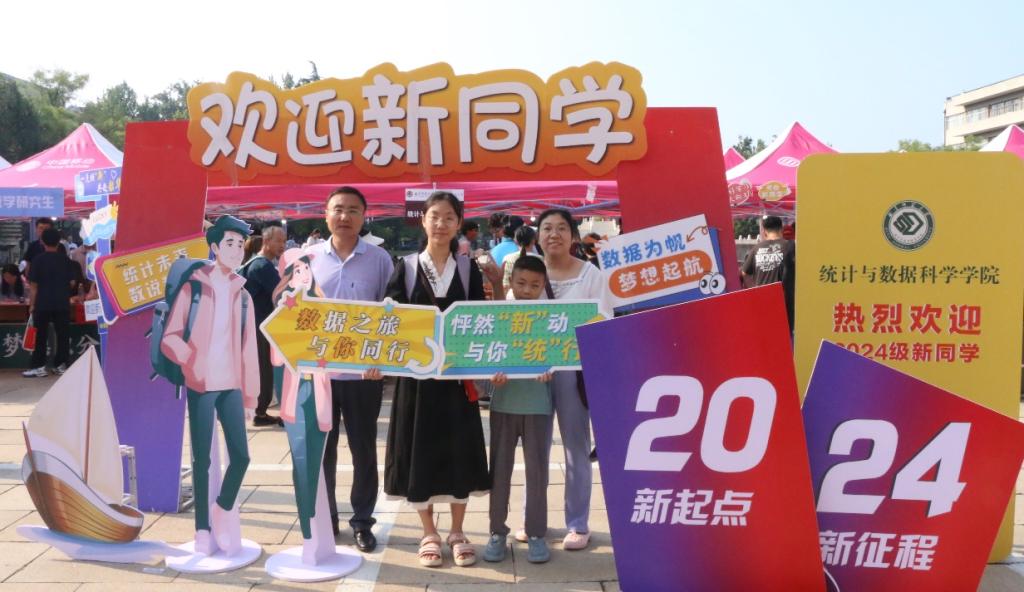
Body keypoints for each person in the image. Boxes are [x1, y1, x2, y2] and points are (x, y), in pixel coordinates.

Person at [383, 191, 501, 569]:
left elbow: (481, 322)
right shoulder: (406, 266)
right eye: (434, 216)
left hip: (456, 380)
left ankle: (458, 531)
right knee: (419, 449)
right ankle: (428, 532)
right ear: (423, 220)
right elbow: (389, 320)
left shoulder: (467, 269)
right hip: (417, 382)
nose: (441, 223)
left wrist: (490, 365)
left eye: (449, 217)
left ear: (458, 223)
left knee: (459, 451)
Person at [159, 215, 258, 556]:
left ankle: (222, 507)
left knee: (241, 456)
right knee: (201, 461)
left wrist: (251, 396)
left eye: (240, 244)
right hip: (201, 384)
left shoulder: (243, 296)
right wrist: (192, 361)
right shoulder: (194, 288)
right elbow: (170, 337)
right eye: (229, 243)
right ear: (214, 247)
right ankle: (202, 529)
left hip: (231, 385)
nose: (236, 250)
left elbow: (249, 350)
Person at [307, 186, 394, 552]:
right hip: (319, 375)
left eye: (353, 210)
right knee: (321, 451)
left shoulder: (380, 260)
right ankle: (325, 518)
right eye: (338, 209)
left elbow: (392, 314)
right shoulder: (308, 259)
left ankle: (362, 521)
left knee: (363, 450)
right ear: (326, 214)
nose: (345, 216)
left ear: (364, 216)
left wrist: (381, 362)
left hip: (363, 375)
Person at [534, 208, 612, 551]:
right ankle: (534, 522)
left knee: (575, 448)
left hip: (574, 372)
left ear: (573, 236)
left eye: (562, 228)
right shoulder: (529, 273)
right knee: (535, 449)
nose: (554, 234)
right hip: (533, 372)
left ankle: (578, 523)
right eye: (547, 228)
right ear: (538, 236)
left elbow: (604, 319)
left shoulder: (591, 275)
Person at [483, 253, 554, 565]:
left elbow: (561, 354)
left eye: (535, 285)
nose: (527, 290)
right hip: (504, 403)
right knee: (499, 471)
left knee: (537, 473)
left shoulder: (551, 318)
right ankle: (497, 531)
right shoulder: (499, 313)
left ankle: (536, 533)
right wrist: (491, 378)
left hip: (538, 405)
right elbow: (486, 354)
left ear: (543, 286)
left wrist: (552, 370)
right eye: (521, 283)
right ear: (511, 282)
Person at [271, 248, 335, 563]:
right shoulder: (283, 314)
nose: (304, 275)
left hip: (319, 393)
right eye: (297, 270)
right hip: (296, 394)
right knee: (301, 462)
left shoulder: (323, 308)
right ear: (287, 278)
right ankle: (308, 532)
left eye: (306, 269)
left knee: (313, 461)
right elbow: (276, 358)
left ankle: (314, 530)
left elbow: (337, 351)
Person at [239, 225, 286, 427]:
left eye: (284, 241)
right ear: (267, 242)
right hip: (259, 327)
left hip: (253, 326)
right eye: (279, 241)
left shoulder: (254, 263)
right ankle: (259, 412)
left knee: (260, 369)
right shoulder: (262, 266)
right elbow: (283, 294)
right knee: (264, 370)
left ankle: (259, 410)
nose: (283, 246)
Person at [22, 228, 74, 377]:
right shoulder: (66, 260)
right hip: (62, 303)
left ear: (42, 242)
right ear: (59, 242)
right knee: (63, 335)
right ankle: (61, 365)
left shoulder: (37, 260)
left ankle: (39, 367)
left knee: (40, 336)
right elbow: (72, 283)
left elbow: (33, 286)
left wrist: (32, 304)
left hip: (42, 303)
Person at [741, 215, 796, 332]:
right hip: (784, 303)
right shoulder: (790, 246)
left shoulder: (756, 249)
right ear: (781, 229)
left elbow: (745, 273)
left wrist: (755, 290)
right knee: (784, 336)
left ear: (764, 231)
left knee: (765, 335)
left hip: (762, 302)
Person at [501, 225, 539, 291]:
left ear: (515, 241)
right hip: (534, 296)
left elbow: (505, 285)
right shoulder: (541, 260)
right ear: (533, 241)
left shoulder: (507, 258)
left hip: (511, 296)